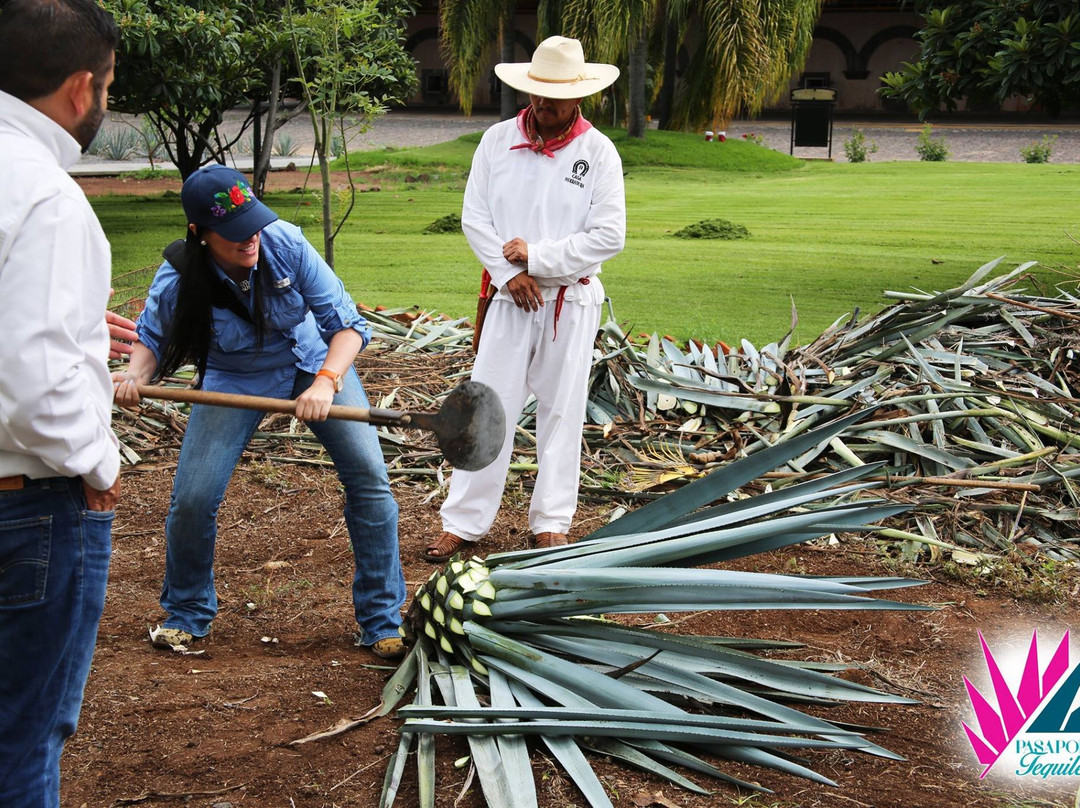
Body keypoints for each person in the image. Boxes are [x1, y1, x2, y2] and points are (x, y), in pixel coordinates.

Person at [112, 164, 406, 660]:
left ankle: (381, 621)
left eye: (251, 223)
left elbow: (348, 327)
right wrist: (135, 378)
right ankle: (187, 613)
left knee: (370, 477)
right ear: (200, 235)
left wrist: (326, 382)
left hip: (314, 362)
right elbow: (153, 339)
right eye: (232, 233)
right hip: (236, 377)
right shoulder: (180, 275)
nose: (249, 239)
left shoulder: (283, 241)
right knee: (193, 497)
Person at [426, 36, 625, 562]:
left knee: (562, 412)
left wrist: (537, 258)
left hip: (570, 299)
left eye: (556, 96)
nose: (544, 105)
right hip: (510, 298)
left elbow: (609, 235)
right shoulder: (496, 140)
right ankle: (464, 522)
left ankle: (551, 523)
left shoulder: (598, 151)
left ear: (580, 96)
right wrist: (505, 271)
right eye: (537, 93)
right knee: (487, 407)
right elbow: (475, 216)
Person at [0, 0, 122, 804]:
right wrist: (98, 462)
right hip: (26, 509)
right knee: (19, 740)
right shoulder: (45, 196)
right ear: (81, 89)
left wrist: (77, 329)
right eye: (109, 85)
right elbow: (35, 390)